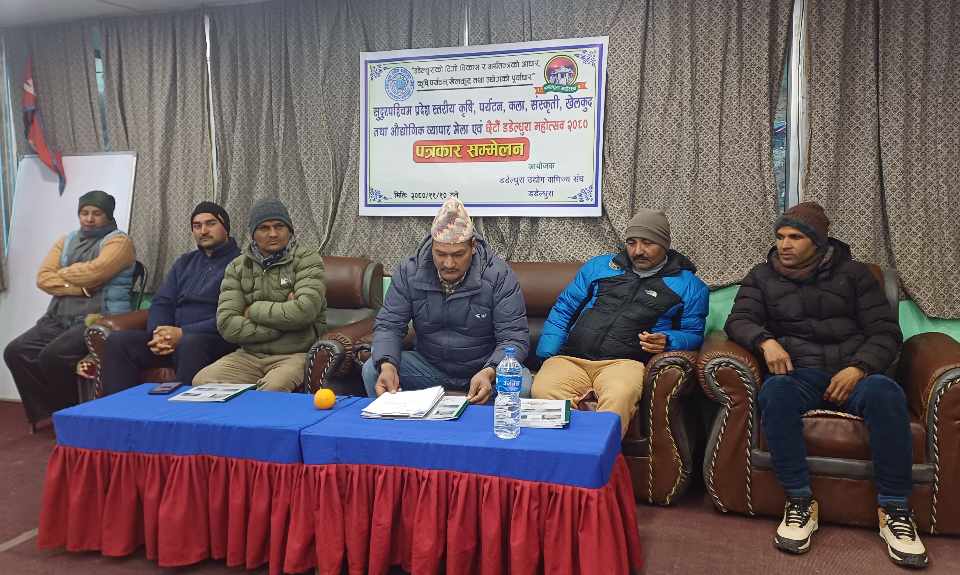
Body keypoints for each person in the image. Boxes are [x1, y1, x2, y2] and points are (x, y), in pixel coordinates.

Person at [725, 202, 926, 567]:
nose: (784, 244)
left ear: (818, 241)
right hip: (799, 373)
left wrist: (859, 368)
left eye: (795, 237)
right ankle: (799, 501)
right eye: (780, 236)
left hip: (852, 373)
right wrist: (765, 341)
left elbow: (885, 332)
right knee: (775, 392)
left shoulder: (855, 275)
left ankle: (895, 510)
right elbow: (739, 320)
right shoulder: (761, 276)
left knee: (886, 394)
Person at [531, 208, 708, 438]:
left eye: (647, 243)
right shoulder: (599, 267)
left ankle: (597, 454)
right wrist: (548, 354)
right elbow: (564, 308)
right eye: (632, 242)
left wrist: (669, 340)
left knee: (620, 396)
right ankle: (566, 454)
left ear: (665, 244)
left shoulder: (690, 286)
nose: (638, 251)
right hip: (572, 358)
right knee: (543, 390)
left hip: (624, 364)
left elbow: (694, 333)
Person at [363, 196, 530, 404]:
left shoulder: (498, 275)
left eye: (458, 254)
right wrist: (387, 365)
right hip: (428, 367)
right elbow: (389, 325)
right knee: (373, 370)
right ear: (432, 246)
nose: (449, 263)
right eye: (441, 254)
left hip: (483, 368)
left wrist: (490, 371)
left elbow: (514, 338)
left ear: (473, 246)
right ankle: (394, 425)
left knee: (521, 384)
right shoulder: (410, 271)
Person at [4, 190, 136, 425]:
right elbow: (43, 278)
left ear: (108, 215)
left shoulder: (119, 242)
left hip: (99, 317)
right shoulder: (67, 240)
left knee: (53, 355)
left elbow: (96, 272)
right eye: (84, 213)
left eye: (96, 213)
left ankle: (71, 414)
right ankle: (48, 410)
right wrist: (81, 289)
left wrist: (62, 274)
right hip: (59, 316)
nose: (89, 218)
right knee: (16, 351)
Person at [99, 202, 240, 395]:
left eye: (211, 223)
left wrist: (183, 333)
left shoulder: (240, 264)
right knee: (119, 341)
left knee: (191, 343)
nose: (203, 231)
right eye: (197, 226)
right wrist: (160, 334)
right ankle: (118, 409)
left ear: (226, 227)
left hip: (211, 340)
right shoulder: (185, 262)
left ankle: (182, 412)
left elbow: (234, 315)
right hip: (172, 340)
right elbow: (162, 302)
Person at [192, 199, 326, 392]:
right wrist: (284, 325)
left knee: (273, 388)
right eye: (264, 228)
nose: (273, 234)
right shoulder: (238, 266)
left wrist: (252, 311)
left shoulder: (307, 260)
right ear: (253, 234)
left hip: (294, 354)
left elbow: (304, 311)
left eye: (279, 226)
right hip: (248, 355)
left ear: (290, 230)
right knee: (202, 381)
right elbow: (227, 324)